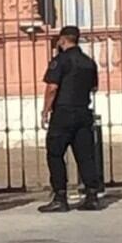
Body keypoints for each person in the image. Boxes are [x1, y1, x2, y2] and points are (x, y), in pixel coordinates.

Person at [38, 25, 102, 213]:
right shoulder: (88, 62)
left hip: (63, 112)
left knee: (55, 154)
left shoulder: (61, 60)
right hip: (83, 111)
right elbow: (93, 87)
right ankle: (91, 195)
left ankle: (60, 196)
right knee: (85, 155)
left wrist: (45, 110)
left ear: (63, 40)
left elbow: (52, 87)